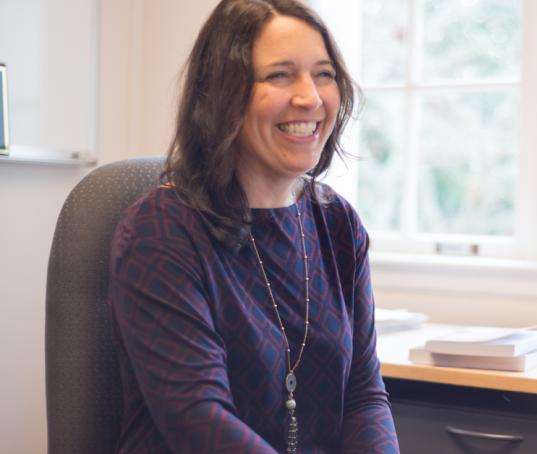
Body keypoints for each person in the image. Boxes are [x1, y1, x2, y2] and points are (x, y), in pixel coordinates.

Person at [107, 1, 399, 452]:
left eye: (323, 74)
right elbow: (198, 417)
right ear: (222, 93)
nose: (311, 97)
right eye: (280, 75)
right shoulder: (160, 231)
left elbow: (363, 395)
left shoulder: (337, 224)